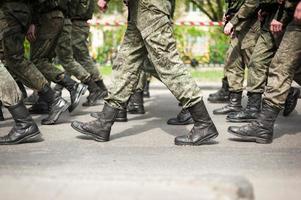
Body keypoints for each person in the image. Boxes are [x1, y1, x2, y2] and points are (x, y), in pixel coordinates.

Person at [71, 0, 219, 146]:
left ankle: (203, 123)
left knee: (168, 64)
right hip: (139, 9)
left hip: (151, 9)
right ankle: (104, 123)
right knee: (125, 63)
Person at [228, 0, 301, 144]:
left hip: (291, 16)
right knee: (272, 65)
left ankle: (263, 125)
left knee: (281, 67)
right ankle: (259, 117)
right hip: (282, 14)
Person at [1, 0, 70, 125]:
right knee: (14, 59)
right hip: (20, 11)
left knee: (15, 59)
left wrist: (33, 21)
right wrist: (33, 21)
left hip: (10, 11)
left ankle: (54, 99)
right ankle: (53, 99)